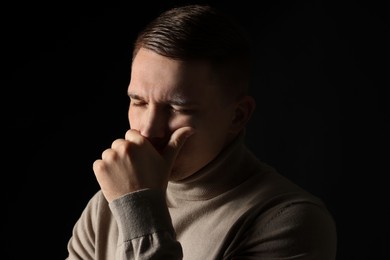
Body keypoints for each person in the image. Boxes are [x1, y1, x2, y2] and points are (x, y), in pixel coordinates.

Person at [66, 4, 337, 260]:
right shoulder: (108, 202)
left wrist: (138, 211)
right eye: (139, 102)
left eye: (177, 108)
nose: (148, 129)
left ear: (238, 115)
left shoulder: (289, 220)